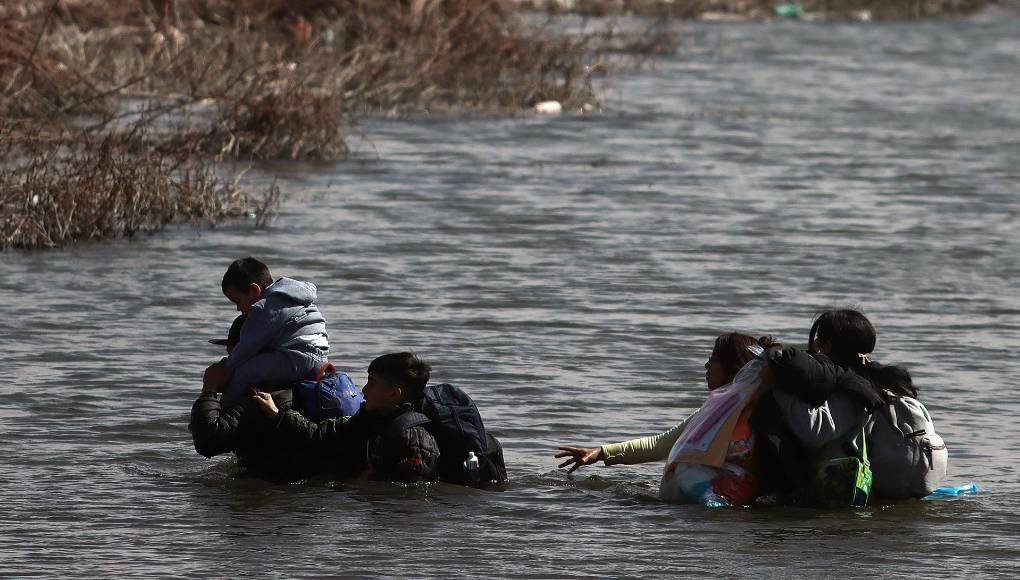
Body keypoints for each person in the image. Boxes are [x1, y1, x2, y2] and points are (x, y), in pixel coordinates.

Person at [555, 333, 779, 505]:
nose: (706, 366)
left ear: (734, 368)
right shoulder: (708, 417)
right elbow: (662, 444)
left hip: (722, 508)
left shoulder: (761, 415)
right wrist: (601, 453)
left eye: (712, 360)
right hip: (712, 507)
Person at [755, 308, 934, 502]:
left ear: (827, 346)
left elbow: (814, 431)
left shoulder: (855, 389)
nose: (813, 345)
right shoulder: (887, 382)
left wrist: (779, 386)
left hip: (856, 493)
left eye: (818, 339)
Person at [189, 316, 352, 482]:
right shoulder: (308, 379)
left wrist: (209, 388)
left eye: (232, 354)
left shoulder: (259, 398)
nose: (227, 361)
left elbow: (207, 442)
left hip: (279, 493)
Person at [255, 352, 440, 484]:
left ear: (394, 394)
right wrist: (278, 414)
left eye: (372, 384)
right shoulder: (370, 418)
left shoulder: (414, 438)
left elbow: (411, 496)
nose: (364, 390)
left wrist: (362, 484)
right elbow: (323, 435)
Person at [203, 257, 330, 404]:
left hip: (298, 357)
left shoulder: (263, 308)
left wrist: (225, 370)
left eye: (238, 301)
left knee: (245, 372)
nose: (238, 308)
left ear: (254, 290)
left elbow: (246, 347)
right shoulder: (294, 297)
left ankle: (225, 407)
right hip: (321, 357)